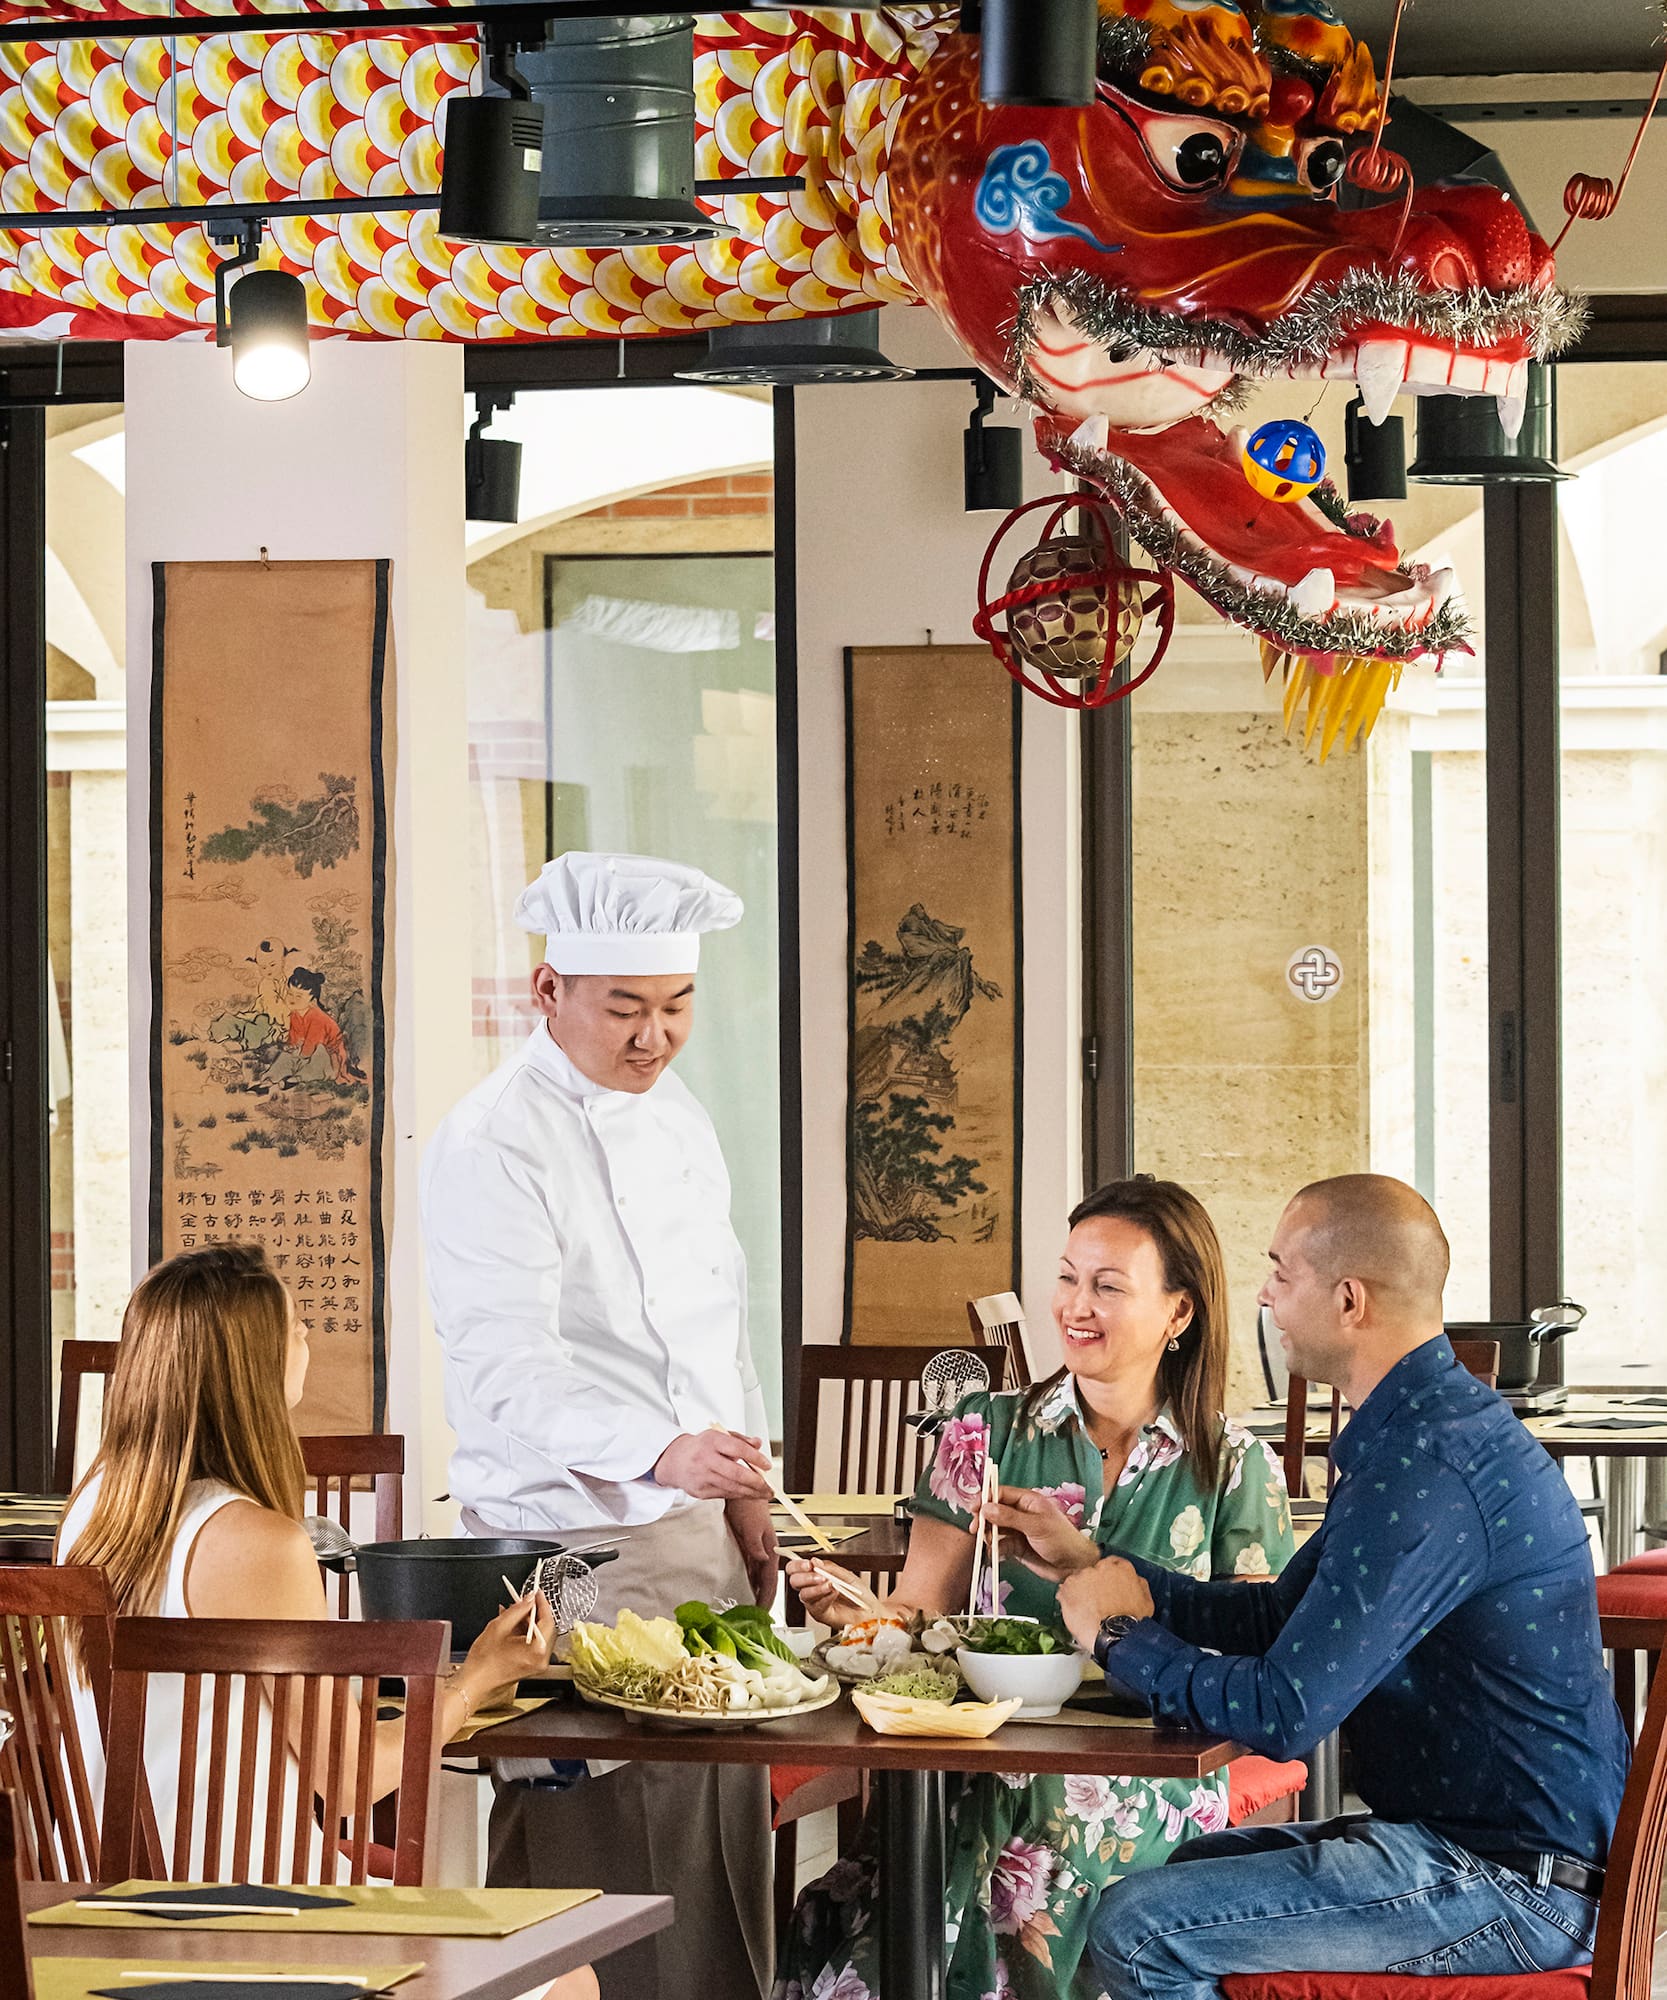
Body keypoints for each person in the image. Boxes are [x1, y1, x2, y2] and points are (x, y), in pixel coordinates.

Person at [1059, 1174, 1630, 1999]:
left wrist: (1118, 1640)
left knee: (1139, 1926)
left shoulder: (1425, 1464)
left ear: (1348, 1300)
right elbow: (1278, 1614)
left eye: (1280, 1272)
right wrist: (1104, 1570)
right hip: (1491, 1849)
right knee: (1183, 1868)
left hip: (1517, 1884)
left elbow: (1286, 1713)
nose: (1264, 1295)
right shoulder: (1421, 1428)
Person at [778, 1177, 1295, 2000]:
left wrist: (1090, 1568)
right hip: (979, 1756)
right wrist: (861, 1619)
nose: (1075, 1306)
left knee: (1022, 1821)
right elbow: (919, 1612)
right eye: (1066, 1277)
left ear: (1178, 1312)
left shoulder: (1236, 1466)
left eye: (1107, 1286)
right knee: (978, 1804)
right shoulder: (984, 1428)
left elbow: (1255, 1660)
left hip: (1143, 1776)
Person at [421, 849, 776, 2000]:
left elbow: (720, 1323)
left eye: (676, 1004)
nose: (654, 1035)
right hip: (571, 1551)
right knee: (596, 1859)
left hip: (697, 1535)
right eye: (624, 1007)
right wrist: (664, 1451)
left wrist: (745, 1488)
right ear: (547, 990)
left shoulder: (678, 1117)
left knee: (711, 1842)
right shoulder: (492, 1139)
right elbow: (506, 1366)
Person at [57, 1244, 595, 1998]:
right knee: (568, 1977)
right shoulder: (260, 1542)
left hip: (100, 1907)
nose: (307, 1335)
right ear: (256, 1365)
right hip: (248, 1917)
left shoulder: (91, 1510)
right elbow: (350, 1781)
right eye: (295, 1324)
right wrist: (479, 1678)